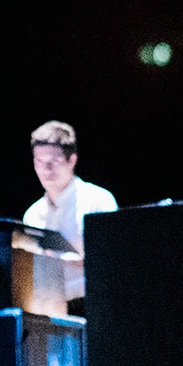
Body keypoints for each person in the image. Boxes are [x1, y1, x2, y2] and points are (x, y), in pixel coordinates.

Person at [21, 120, 119, 302]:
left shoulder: (98, 200)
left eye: (54, 161)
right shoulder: (32, 214)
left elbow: (112, 263)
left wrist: (63, 261)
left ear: (72, 160)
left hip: (92, 303)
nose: (46, 169)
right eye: (40, 162)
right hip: (49, 308)